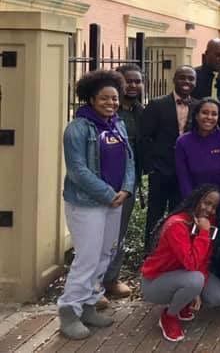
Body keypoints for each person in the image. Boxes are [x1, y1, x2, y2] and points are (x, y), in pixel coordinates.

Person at [57, 70, 135, 340]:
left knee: (105, 254)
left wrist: (126, 187)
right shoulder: (77, 128)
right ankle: (69, 311)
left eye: (115, 98)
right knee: (87, 258)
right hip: (87, 204)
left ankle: (90, 304)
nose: (111, 103)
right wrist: (106, 193)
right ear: (91, 98)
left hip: (115, 201)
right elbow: (77, 171)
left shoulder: (118, 124)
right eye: (105, 98)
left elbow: (129, 158)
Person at [141, 184, 220, 343]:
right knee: (195, 280)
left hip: (184, 276)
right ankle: (169, 317)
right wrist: (203, 233)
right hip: (155, 282)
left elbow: (203, 260)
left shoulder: (208, 222)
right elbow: (191, 263)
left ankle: (183, 302)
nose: (209, 209)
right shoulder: (177, 224)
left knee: (219, 297)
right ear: (196, 199)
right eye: (206, 202)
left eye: (214, 207)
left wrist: (195, 291)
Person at [141, 66, 197, 249]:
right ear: (174, 79)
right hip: (161, 170)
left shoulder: (198, 107)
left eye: (191, 79)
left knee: (180, 216)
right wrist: (150, 166)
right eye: (183, 78)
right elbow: (145, 137)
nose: (187, 82)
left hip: (186, 173)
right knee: (155, 215)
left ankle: (173, 253)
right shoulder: (157, 105)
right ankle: (149, 254)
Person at [102, 64, 144, 301]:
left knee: (119, 233)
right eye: (128, 81)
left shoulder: (140, 111)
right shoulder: (109, 114)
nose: (133, 85)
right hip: (106, 182)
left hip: (129, 183)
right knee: (101, 234)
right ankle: (95, 284)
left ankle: (111, 279)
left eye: (137, 81)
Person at [175, 98, 220, 219]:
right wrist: (193, 207)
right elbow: (184, 179)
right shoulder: (183, 142)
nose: (209, 117)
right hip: (195, 204)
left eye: (214, 114)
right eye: (205, 112)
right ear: (196, 115)